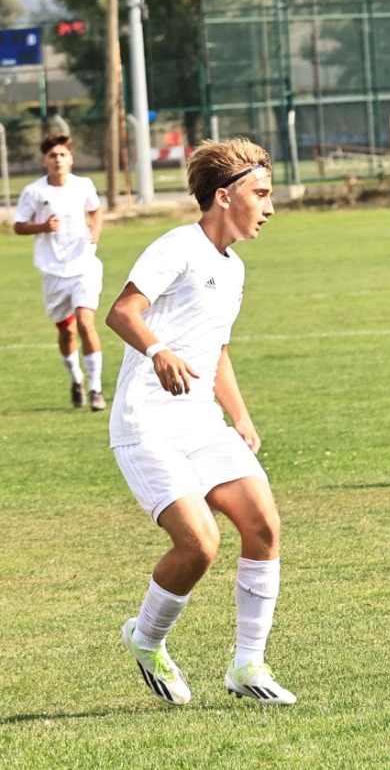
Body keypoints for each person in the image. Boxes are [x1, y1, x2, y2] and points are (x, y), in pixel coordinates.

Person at [105, 139, 296, 705]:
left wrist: (239, 415)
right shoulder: (176, 248)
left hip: (201, 420)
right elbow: (121, 311)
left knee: (262, 525)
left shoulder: (234, 269)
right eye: (260, 194)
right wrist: (158, 351)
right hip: (147, 423)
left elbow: (218, 350)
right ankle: (146, 639)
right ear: (223, 195)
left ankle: (247, 666)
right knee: (200, 546)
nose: (268, 207)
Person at [13, 134, 107, 410]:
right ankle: (76, 379)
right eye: (52, 156)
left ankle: (95, 389)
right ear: (45, 161)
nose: (58, 160)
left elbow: (96, 209)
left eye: (62, 155)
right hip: (53, 271)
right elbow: (18, 225)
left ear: (71, 159)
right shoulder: (34, 192)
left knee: (86, 320)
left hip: (84, 265)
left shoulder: (83, 185)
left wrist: (97, 230)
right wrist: (42, 227)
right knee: (67, 331)